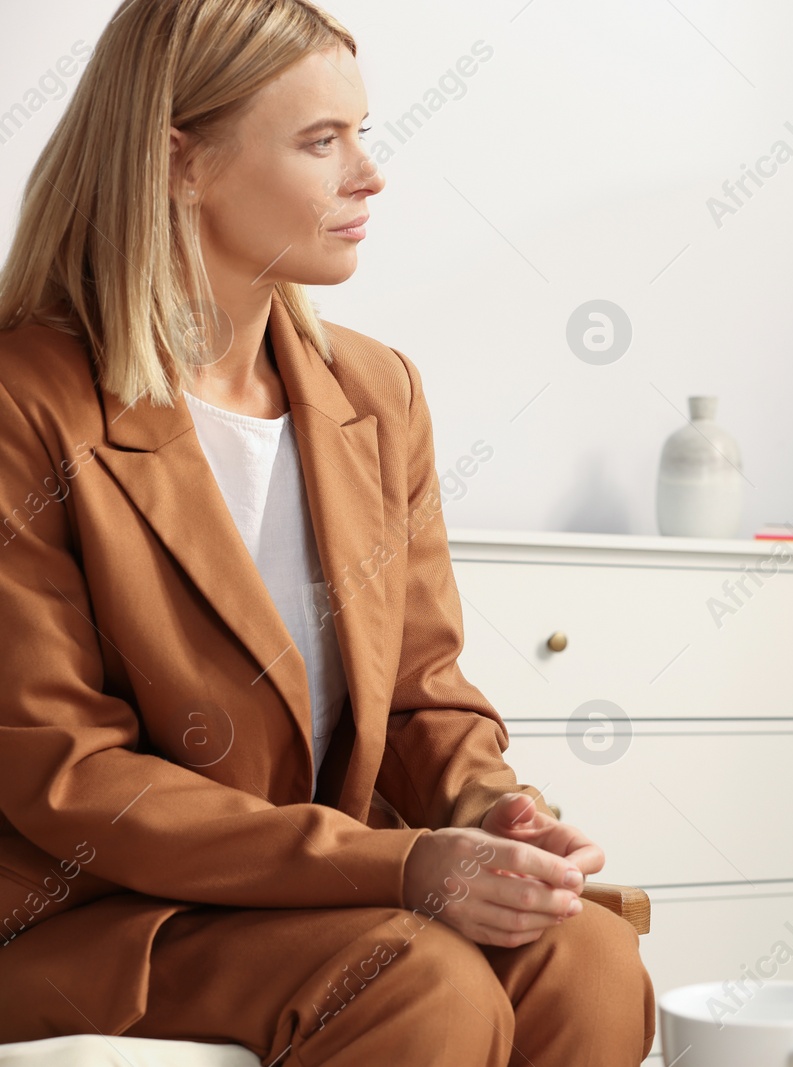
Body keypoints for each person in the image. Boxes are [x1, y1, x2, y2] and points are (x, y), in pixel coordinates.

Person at [0, 2, 653, 1064]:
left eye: (362, 130)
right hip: (95, 914)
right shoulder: (23, 399)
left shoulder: (377, 390)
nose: (370, 173)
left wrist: (495, 810)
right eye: (321, 141)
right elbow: (70, 775)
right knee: (420, 983)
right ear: (181, 164)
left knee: (592, 955)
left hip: (309, 899)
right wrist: (396, 867)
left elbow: (419, 694)